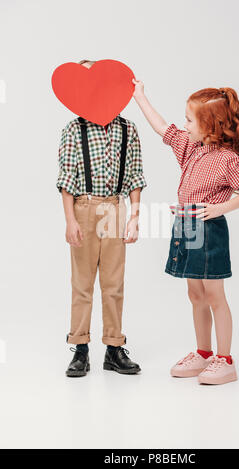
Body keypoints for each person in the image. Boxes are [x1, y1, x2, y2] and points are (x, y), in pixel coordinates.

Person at [132, 80, 239, 385]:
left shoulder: (227, 160)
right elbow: (162, 127)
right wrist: (140, 96)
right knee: (195, 294)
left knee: (215, 295)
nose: (185, 124)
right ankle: (203, 353)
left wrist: (220, 209)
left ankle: (225, 359)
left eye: (190, 120)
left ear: (210, 125)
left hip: (209, 229)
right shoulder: (192, 148)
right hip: (186, 226)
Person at [56, 59, 147, 377]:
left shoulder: (127, 129)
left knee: (113, 282)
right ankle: (80, 348)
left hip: (114, 207)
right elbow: (66, 178)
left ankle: (113, 347)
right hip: (83, 206)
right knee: (82, 283)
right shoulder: (73, 129)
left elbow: (135, 176)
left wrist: (134, 216)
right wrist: (70, 220)